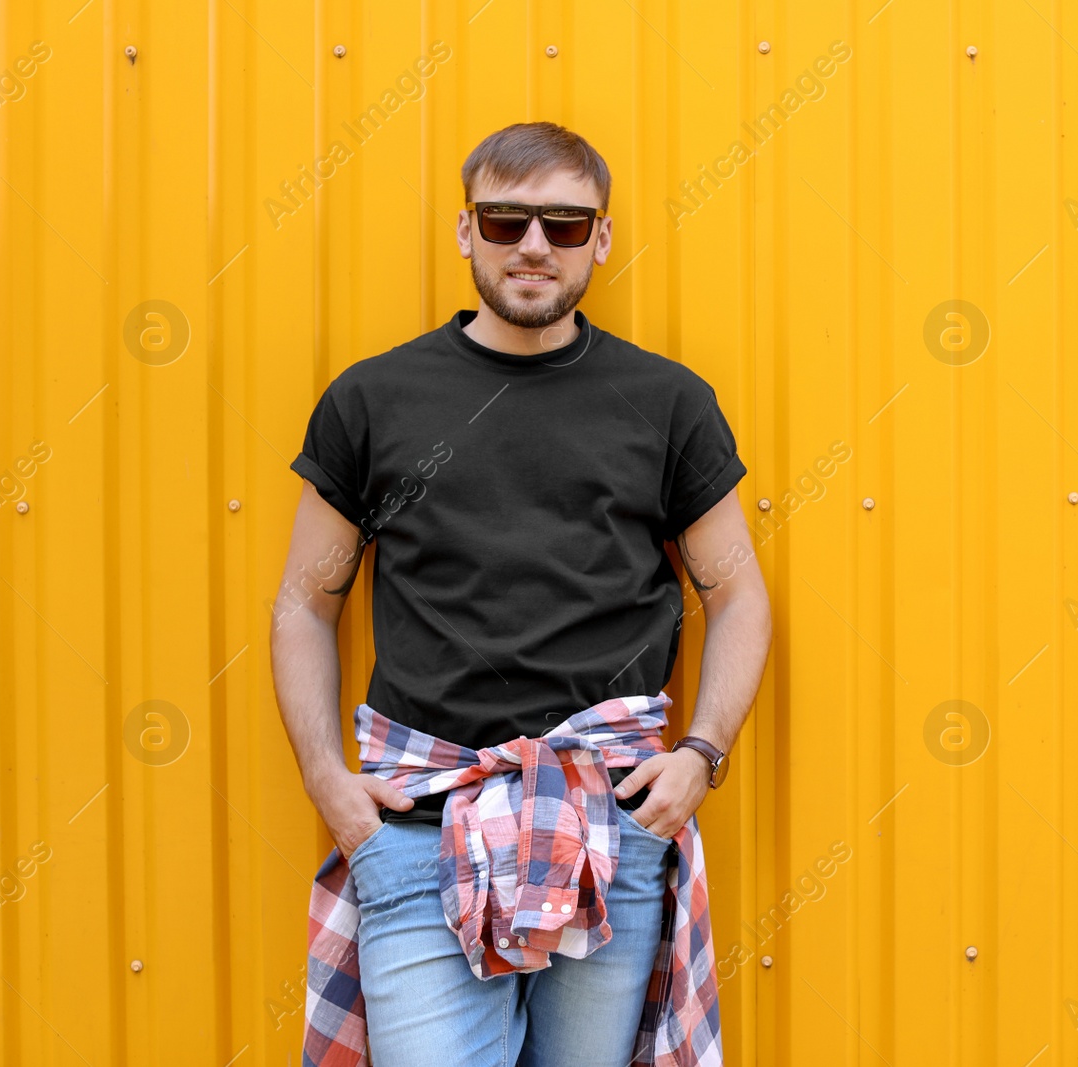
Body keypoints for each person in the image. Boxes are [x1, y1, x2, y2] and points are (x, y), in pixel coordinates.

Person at [270, 120, 772, 1067]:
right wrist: (327, 783)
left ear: (602, 240)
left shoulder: (667, 401)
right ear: (466, 232)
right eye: (505, 221)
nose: (534, 245)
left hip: (609, 825)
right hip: (422, 827)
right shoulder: (373, 399)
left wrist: (701, 755)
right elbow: (304, 601)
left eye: (564, 224)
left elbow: (738, 593)